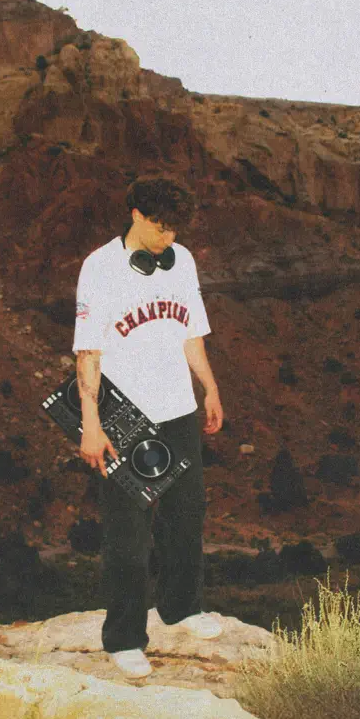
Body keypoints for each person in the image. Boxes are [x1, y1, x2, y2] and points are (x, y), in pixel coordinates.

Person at [72, 175, 225, 679]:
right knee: (128, 532)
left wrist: (209, 387)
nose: (169, 238)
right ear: (136, 214)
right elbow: (88, 351)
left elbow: (191, 333)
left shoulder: (183, 261)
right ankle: (123, 639)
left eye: (175, 229)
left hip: (178, 407)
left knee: (186, 515)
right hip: (124, 413)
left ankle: (181, 607)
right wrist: (90, 423)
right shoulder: (99, 268)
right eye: (161, 227)